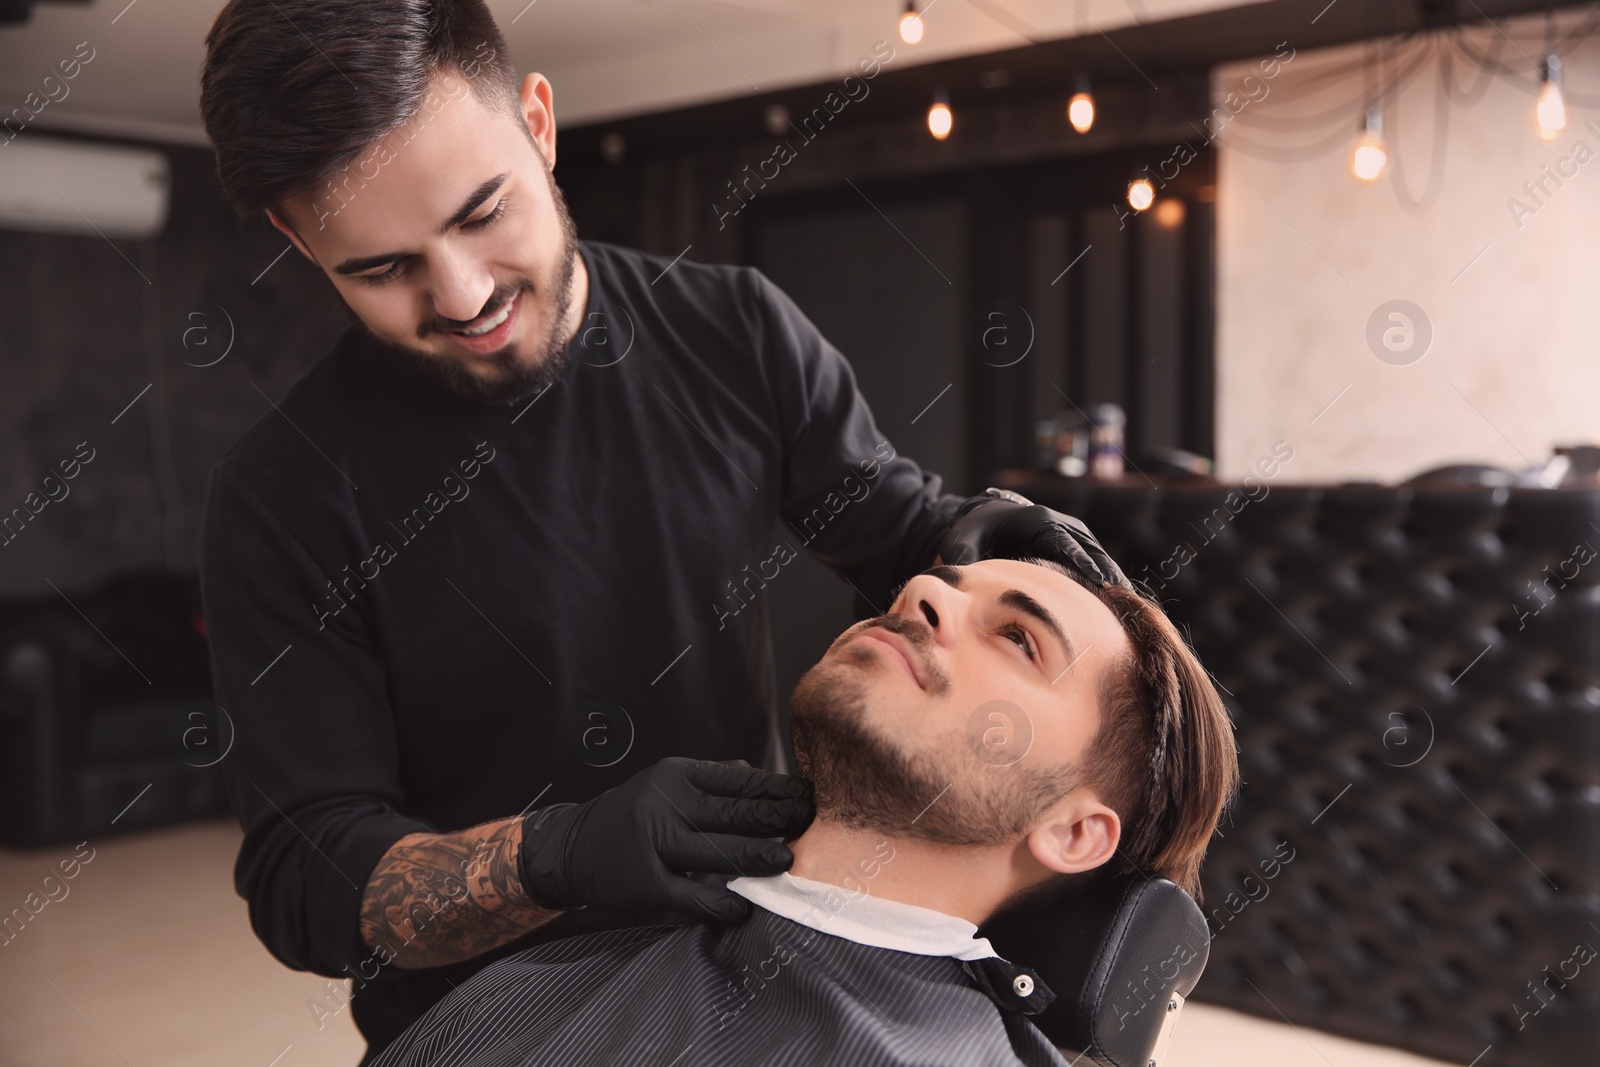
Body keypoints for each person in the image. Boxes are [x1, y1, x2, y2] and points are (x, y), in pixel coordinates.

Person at [195, 1, 1132, 1059]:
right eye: (378, 268)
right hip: (492, 1031)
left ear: (539, 124)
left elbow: (893, 531)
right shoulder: (282, 496)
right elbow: (306, 874)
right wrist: (555, 855)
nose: (462, 295)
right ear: (293, 233)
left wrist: (974, 540)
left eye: (481, 213)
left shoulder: (735, 333)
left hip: (758, 987)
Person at [367, 557, 1241, 1066]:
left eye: (1018, 638)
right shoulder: (525, 989)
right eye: (942, 583)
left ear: (1073, 830)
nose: (919, 594)